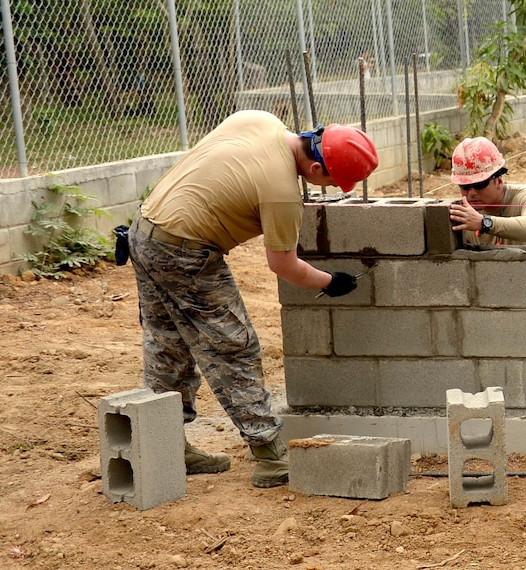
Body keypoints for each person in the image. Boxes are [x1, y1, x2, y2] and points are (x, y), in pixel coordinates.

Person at [128, 112, 375, 488]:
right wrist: (330, 281)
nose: (324, 190)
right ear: (314, 167)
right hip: (186, 252)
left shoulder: (259, 120)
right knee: (233, 346)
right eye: (328, 182)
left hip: (144, 232)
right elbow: (283, 264)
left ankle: (166, 446)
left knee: (169, 345)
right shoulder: (282, 192)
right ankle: (269, 456)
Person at [447, 137, 526, 247]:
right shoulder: (464, 215)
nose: (472, 193)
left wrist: (484, 223)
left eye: (480, 185)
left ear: (499, 181)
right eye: (465, 186)